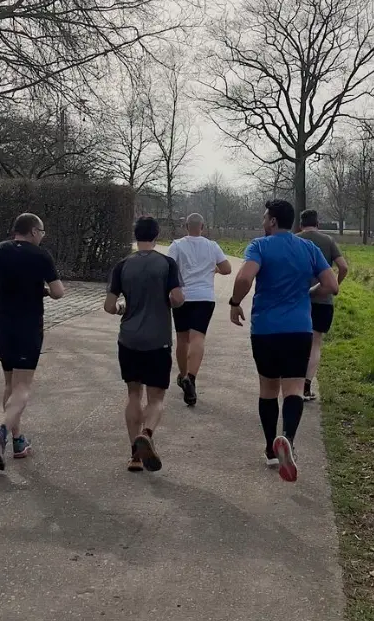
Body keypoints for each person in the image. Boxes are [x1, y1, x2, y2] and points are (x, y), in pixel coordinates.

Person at [229, 199, 338, 482]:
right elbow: (332, 285)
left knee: (268, 389)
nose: (263, 222)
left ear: (273, 221)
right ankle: (287, 438)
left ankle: (270, 449)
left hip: (265, 329)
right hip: (299, 329)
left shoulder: (259, 246)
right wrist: (308, 293)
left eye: (265, 217)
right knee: (293, 389)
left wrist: (235, 302)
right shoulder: (309, 248)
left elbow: (244, 278)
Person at [0, 212, 65, 470]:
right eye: (41, 232)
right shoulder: (40, 255)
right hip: (28, 324)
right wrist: (44, 291)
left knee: (9, 383)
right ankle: (1, 432)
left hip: (2, 322)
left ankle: (18, 440)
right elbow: (58, 292)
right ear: (33, 231)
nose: (42, 236)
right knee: (23, 387)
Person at [105, 216, 184, 472]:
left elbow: (109, 306)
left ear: (135, 234)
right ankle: (147, 433)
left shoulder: (122, 265)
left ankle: (134, 456)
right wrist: (168, 301)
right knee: (156, 397)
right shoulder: (167, 264)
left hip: (129, 338)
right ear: (156, 235)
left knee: (133, 394)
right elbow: (177, 298)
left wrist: (122, 308)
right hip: (157, 339)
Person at [167, 214, 232, 406]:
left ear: (186, 226)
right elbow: (227, 268)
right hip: (204, 297)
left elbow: (167, 268)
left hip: (183, 296)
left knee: (182, 338)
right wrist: (214, 269)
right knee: (198, 338)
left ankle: (183, 375)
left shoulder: (176, 245)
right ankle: (192, 377)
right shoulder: (212, 246)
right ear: (202, 226)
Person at [295, 209, 348, 401]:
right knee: (315, 343)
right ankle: (306, 387)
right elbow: (343, 267)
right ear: (318, 223)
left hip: (298, 299)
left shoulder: (294, 240)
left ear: (300, 224)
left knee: (297, 341)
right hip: (323, 300)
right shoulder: (328, 241)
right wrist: (334, 285)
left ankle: (293, 384)